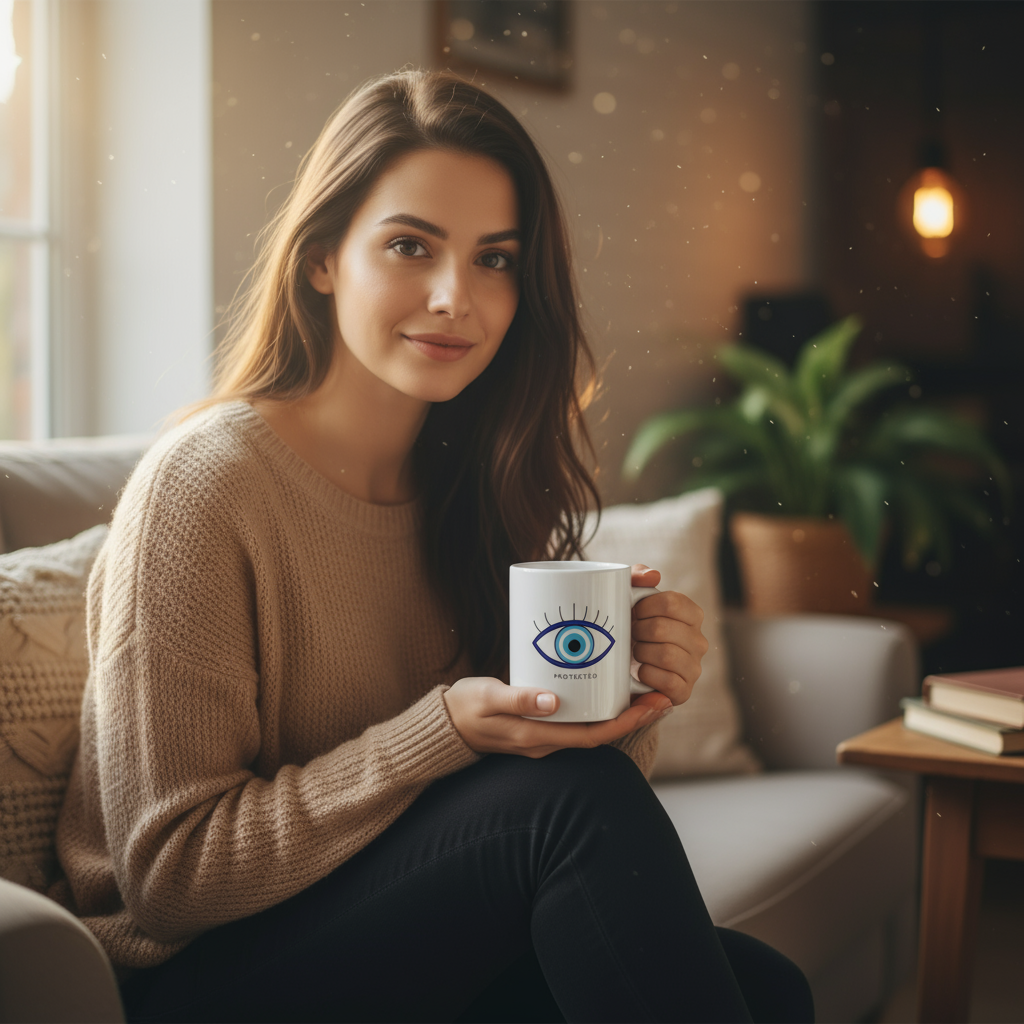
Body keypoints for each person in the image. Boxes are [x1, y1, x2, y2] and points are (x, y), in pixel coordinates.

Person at [52, 70, 813, 1023]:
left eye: (496, 259)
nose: (457, 296)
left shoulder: (479, 480)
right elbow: (170, 876)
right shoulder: (203, 488)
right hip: (197, 979)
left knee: (770, 991)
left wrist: (629, 700)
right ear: (322, 258)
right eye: (411, 245)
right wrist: (438, 734)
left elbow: (539, 807)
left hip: (398, 927)